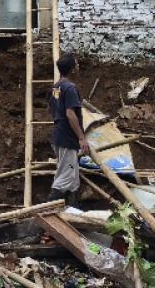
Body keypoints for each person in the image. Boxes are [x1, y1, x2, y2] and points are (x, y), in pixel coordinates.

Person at [49, 53, 89, 207]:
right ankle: (46, 214)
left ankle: (73, 212)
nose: (79, 68)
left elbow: (54, 110)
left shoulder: (56, 87)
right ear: (72, 70)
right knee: (65, 177)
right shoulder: (70, 88)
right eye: (77, 65)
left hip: (59, 136)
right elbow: (70, 114)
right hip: (67, 138)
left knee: (73, 179)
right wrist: (81, 137)